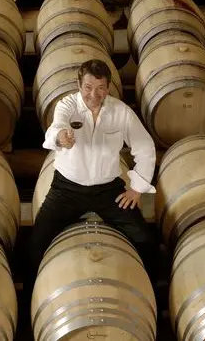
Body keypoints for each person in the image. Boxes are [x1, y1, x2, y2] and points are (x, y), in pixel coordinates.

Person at [28, 59, 160, 282]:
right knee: (36, 243)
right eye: (88, 87)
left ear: (108, 87)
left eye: (100, 88)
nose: (94, 94)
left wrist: (137, 189)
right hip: (66, 189)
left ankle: (151, 292)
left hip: (108, 191)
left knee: (146, 240)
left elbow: (145, 147)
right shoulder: (67, 105)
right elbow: (56, 126)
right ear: (79, 85)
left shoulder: (121, 112)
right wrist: (61, 137)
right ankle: (31, 297)